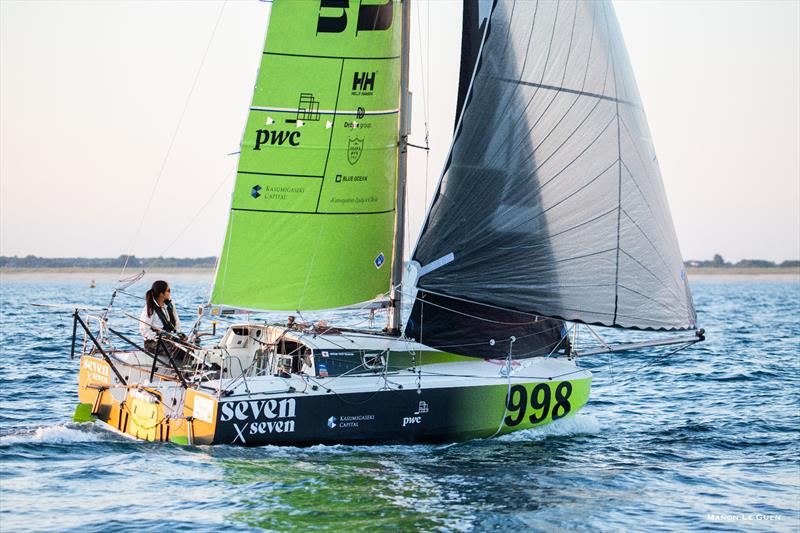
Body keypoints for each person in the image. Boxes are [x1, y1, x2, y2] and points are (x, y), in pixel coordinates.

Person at [139, 280, 182, 358]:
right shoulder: (150, 308)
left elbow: (177, 323)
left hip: (169, 339)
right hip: (153, 342)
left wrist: (179, 335)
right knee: (178, 352)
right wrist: (157, 336)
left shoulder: (170, 305)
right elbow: (144, 330)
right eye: (168, 291)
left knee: (190, 348)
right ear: (161, 294)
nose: (170, 293)